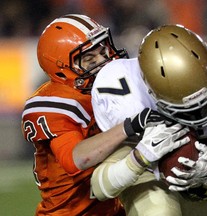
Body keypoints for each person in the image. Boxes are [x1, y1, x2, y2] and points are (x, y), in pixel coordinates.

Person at [21, 14, 190, 215]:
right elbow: (76, 159)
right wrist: (131, 125)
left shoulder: (114, 85)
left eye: (103, 51)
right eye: (90, 59)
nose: (104, 61)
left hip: (114, 207)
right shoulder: (55, 103)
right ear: (62, 70)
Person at [90, 24, 207, 215]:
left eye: (205, 102)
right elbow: (100, 187)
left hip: (194, 180)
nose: (199, 114)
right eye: (187, 110)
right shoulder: (125, 99)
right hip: (145, 174)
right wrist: (140, 157)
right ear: (151, 93)